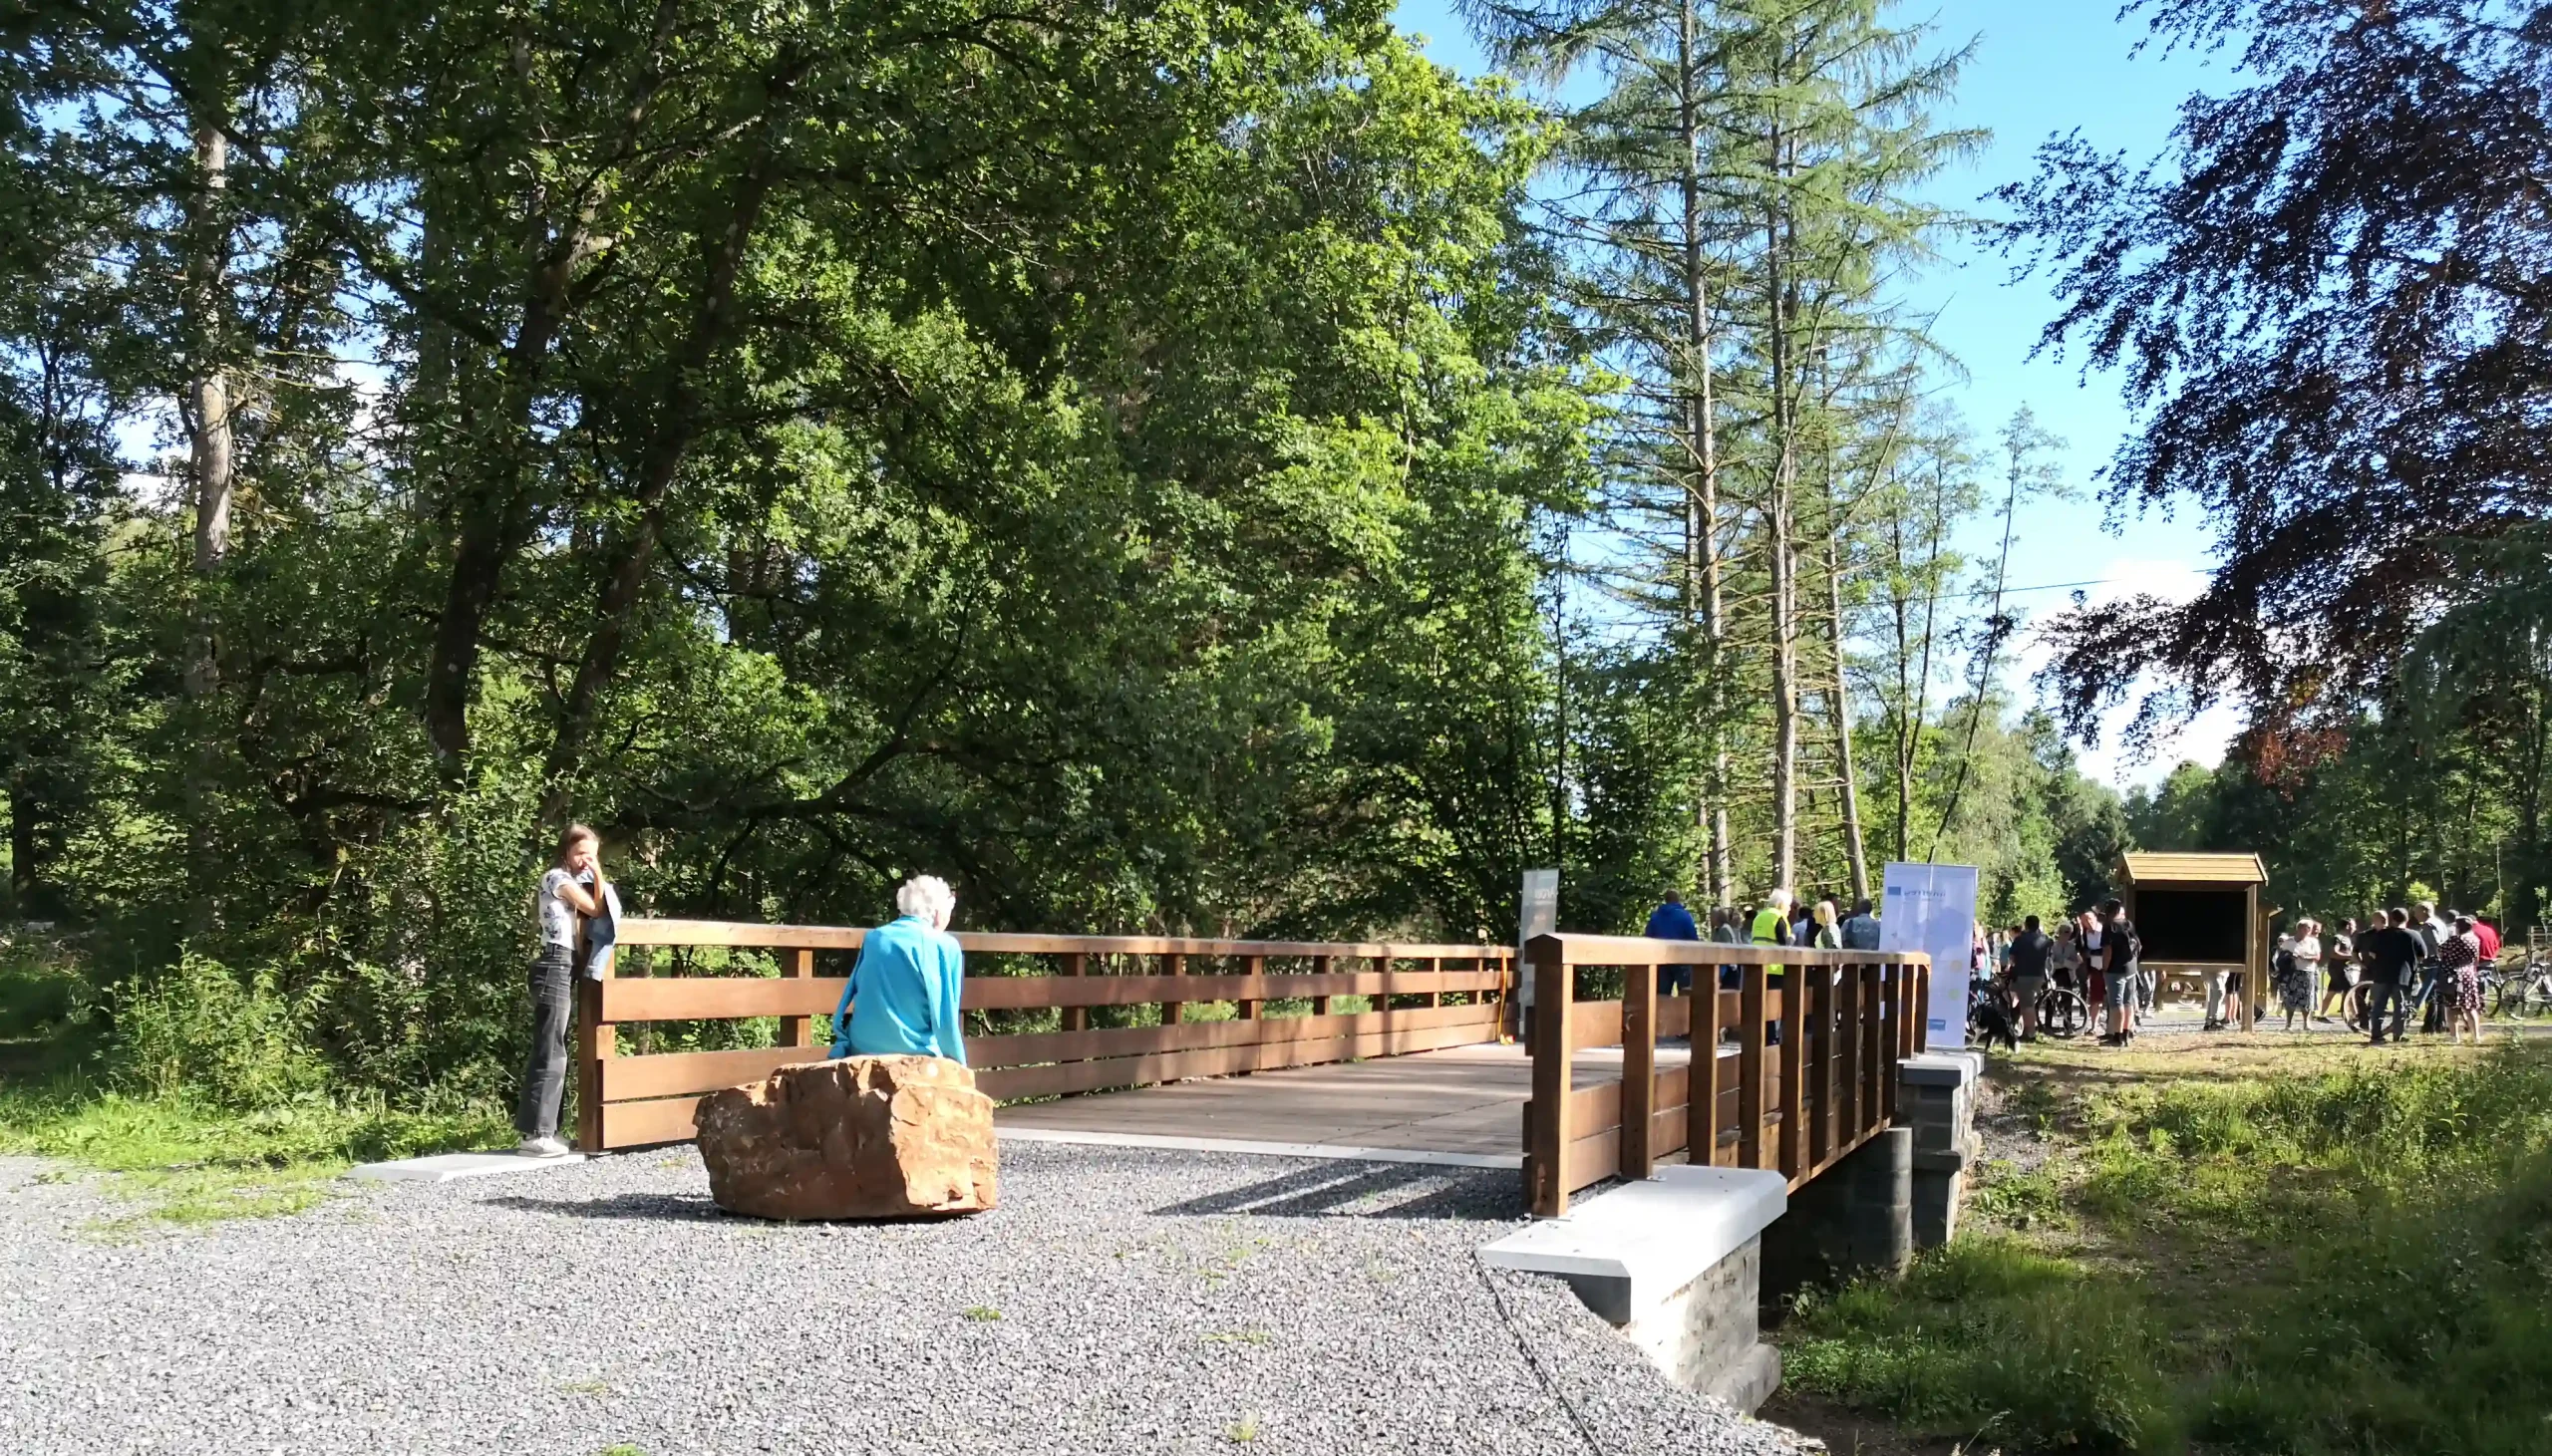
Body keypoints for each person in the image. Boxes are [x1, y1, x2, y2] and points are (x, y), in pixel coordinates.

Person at [518, 824, 604, 1158]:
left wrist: (594, 874)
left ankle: (545, 1130)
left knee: (555, 1045)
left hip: (564, 962)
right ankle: (537, 1135)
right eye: (582, 854)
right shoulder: (556, 878)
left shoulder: (571, 879)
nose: (587, 861)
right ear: (566, 851)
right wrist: (598, 874)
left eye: (593, 856)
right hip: (554, 961)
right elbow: (595, 908)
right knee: (551, 1048)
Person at [828, 874, 968, 1064]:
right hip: (913, 1053)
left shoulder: (875, 938)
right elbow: (946, 1020)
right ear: (937, 913)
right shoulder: (944, 946)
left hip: (862, 1048)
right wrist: (959, 1065)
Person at [2360, 907, 2422, 1045]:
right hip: (2403, 976)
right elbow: (2422, 955)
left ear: (2392, 919)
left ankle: (2376, 1036)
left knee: (2378, 1007)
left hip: (2381, 974)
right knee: (2400, 1007)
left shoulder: (2381, 934)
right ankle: (2397, 1035)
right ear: (2407, 919)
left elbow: (2372, 953)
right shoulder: (2413, 935)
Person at [2097, 898, 2140, 1045]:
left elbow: (2107, 950)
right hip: (2131, 967)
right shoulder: (2128, 924)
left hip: (2115, 969)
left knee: (2116, 1003)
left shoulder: (2109, 927)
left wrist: (2105, 968)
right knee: (2128, 1002)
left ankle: (2117, 1036)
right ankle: (2127, 1034)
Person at [2440, 913, 2486, 1045]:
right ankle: (2476, 1035)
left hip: (2454, 974)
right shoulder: (2475, 939)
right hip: (2469, 973)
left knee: (2451, 1007)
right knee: (2470, 1006)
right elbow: (2476, 958)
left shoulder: (2456, 939)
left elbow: (2440, 950)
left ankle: (2455, 1036)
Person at [1644, 890, 1701, 996]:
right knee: (1685, 992)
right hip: (1682, 959)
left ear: (1666, 900)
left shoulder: (1656, 917)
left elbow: (1648, 936)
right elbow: (1693, 938)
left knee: (1662, 994)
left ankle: (1661, 1011)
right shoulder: (1685, 916)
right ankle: (1684, 1011)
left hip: (1661, 960)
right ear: (1678, 899)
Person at [2009, 915, 2053, 1039]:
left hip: (2023, 974)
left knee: (2027, 1005)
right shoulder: (2045, 939)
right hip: (2039, 975)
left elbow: (2012, 957)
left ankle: (2030, 1033)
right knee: (2026, 1002)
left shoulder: (2020, 939)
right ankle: (2021, 1028)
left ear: (2026, 925)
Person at [2319, 917, 2359, 1021]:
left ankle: (2322, 1014)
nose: (2355, 928)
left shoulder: (2348, 939)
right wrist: (2349, 956)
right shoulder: (2338, 938)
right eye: (2353, 925)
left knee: (2331, 991)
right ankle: (2355, 1015)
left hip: (2341, 968)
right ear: (2348, 926)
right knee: (2350, 990)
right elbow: (2333, 953)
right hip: (2338, 969)